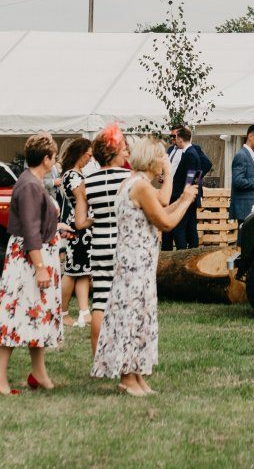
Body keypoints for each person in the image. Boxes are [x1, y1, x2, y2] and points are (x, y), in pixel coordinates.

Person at [91, 135, 200, 395]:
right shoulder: (139, 186)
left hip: (138, 263)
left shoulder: (136, 184)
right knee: (132, 318)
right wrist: (184, 198)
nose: (165, 160)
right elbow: (166, 223)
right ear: (153, 161)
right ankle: (128, 378)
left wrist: (181, 199)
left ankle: (137, 375)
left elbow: (161, 212)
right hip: (134, 265)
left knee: (141, 318)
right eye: (162, 156)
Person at [0, 133, 64, 395]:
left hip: (35, 253)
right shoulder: (30, 184)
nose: (55, 162)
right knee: (18, 312)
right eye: (54, 157)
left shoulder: (33, 182)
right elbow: (29, 228)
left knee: (37, 314)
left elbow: (37, 221)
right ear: (46, 158)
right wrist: (40, 266)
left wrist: (57, 227)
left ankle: (38, 372)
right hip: (29, 260)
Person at [82, 123, 134, 353]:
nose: (126, 153)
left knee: (100, 302)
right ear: (113, 152)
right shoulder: (129, 178)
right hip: (124, 242)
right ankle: (124, 353)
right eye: (123, 148)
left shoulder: (88, 181)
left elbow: (81, 221)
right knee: (127, 300)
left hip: (100, 243)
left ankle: (97, 356)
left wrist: (99, 220)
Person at [57, 137, 95, 327]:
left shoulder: (76, 174)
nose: (90, 158)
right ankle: (62, 313)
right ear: (80, 154)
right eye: (88, 155)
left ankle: (84, 312)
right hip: (78, 228)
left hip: (84, 228)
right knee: (72, 272)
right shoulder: (72, 176)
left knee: (82, 271)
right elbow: (84, 199)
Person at [162, 125, 212, 249]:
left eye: (175, 136)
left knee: (182, 227)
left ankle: (183, 254)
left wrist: (192, 186)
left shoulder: (191, 152)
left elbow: (197, 170)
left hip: (183, 194)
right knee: (183, 227)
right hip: (174, 193)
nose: (173, 139)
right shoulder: (172, 150)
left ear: (180, 137)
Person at [229, 125, 254, 222]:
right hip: (245, 209)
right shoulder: (242, 155)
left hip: (251, 208)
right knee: (245, 237)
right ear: (250, 137)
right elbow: (237, 181)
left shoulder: (251, 156)